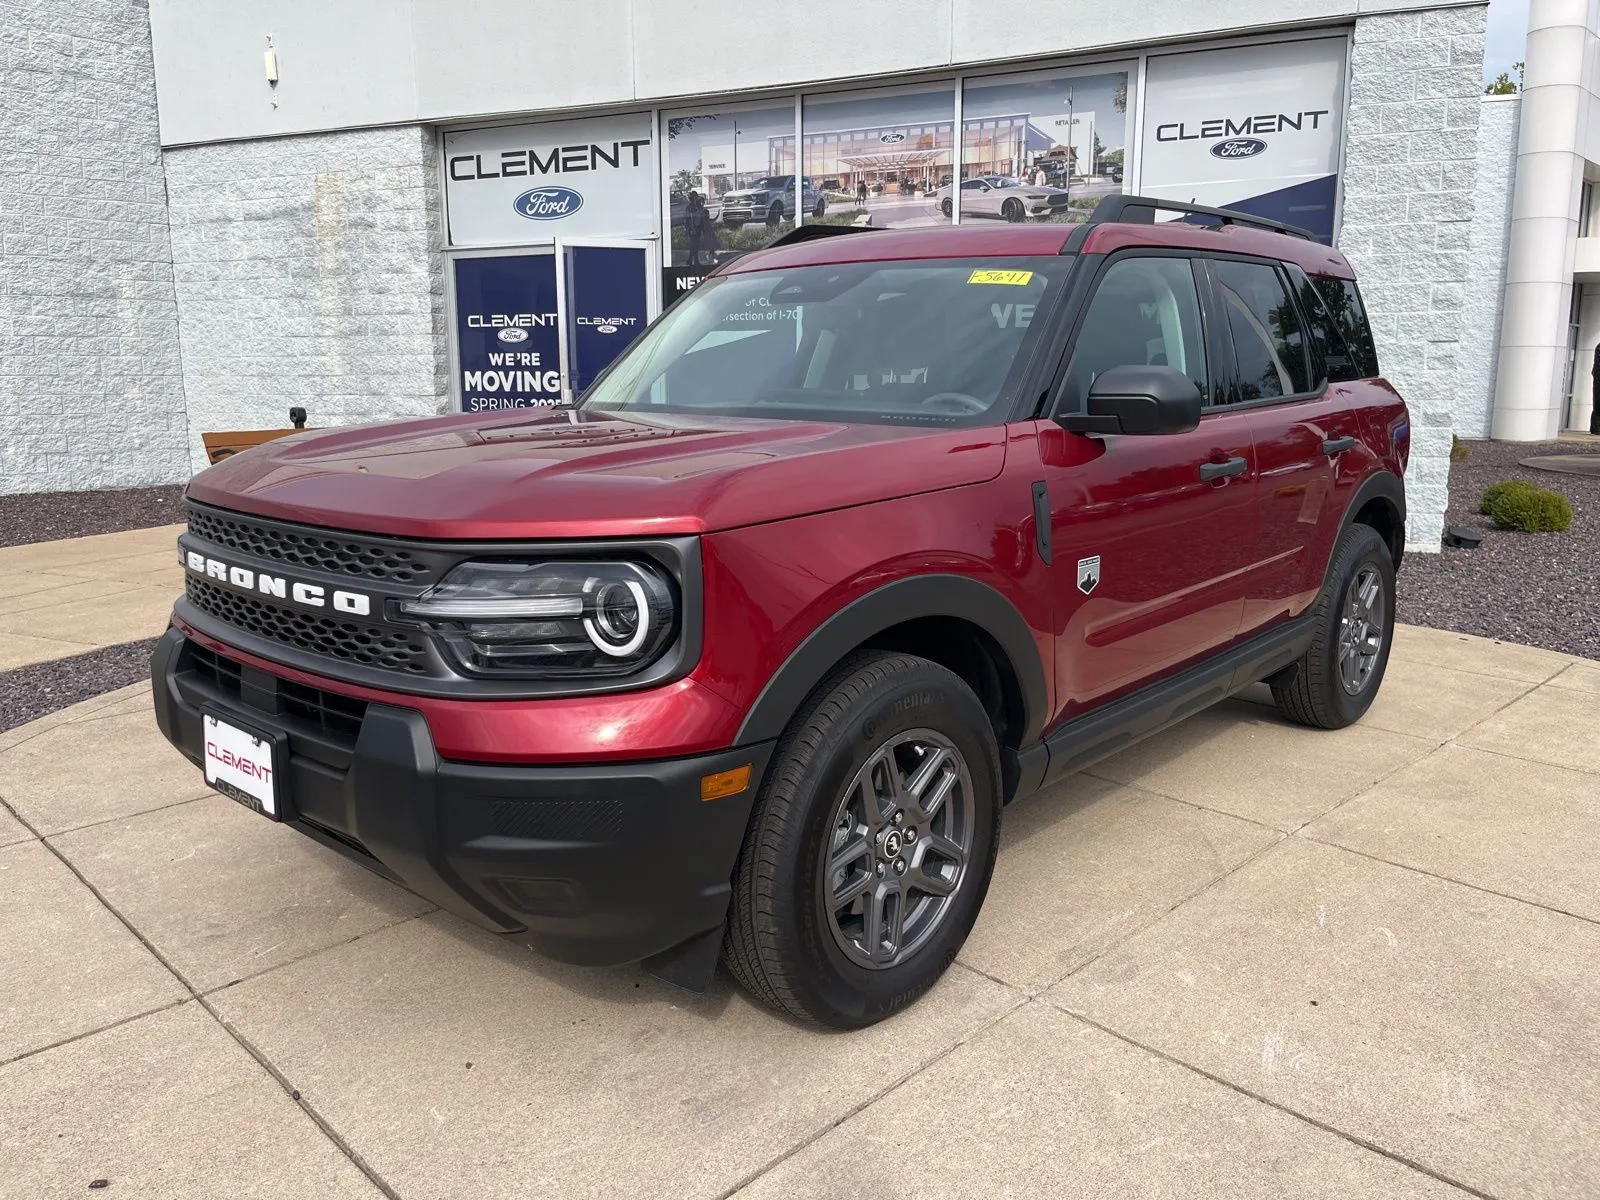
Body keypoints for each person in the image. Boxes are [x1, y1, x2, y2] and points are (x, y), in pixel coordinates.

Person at [684, 191, 707, 267]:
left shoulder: (699, 205)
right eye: (695, 196)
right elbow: (687, 220)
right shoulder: (690, 208)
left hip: (698, 227)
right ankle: (695, 261)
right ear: (693, 197)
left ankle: (690, 260)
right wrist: (689, 229)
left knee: (694, 245)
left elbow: (702, 215)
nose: (697, 198)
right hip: (692, 228)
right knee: (694, 245)